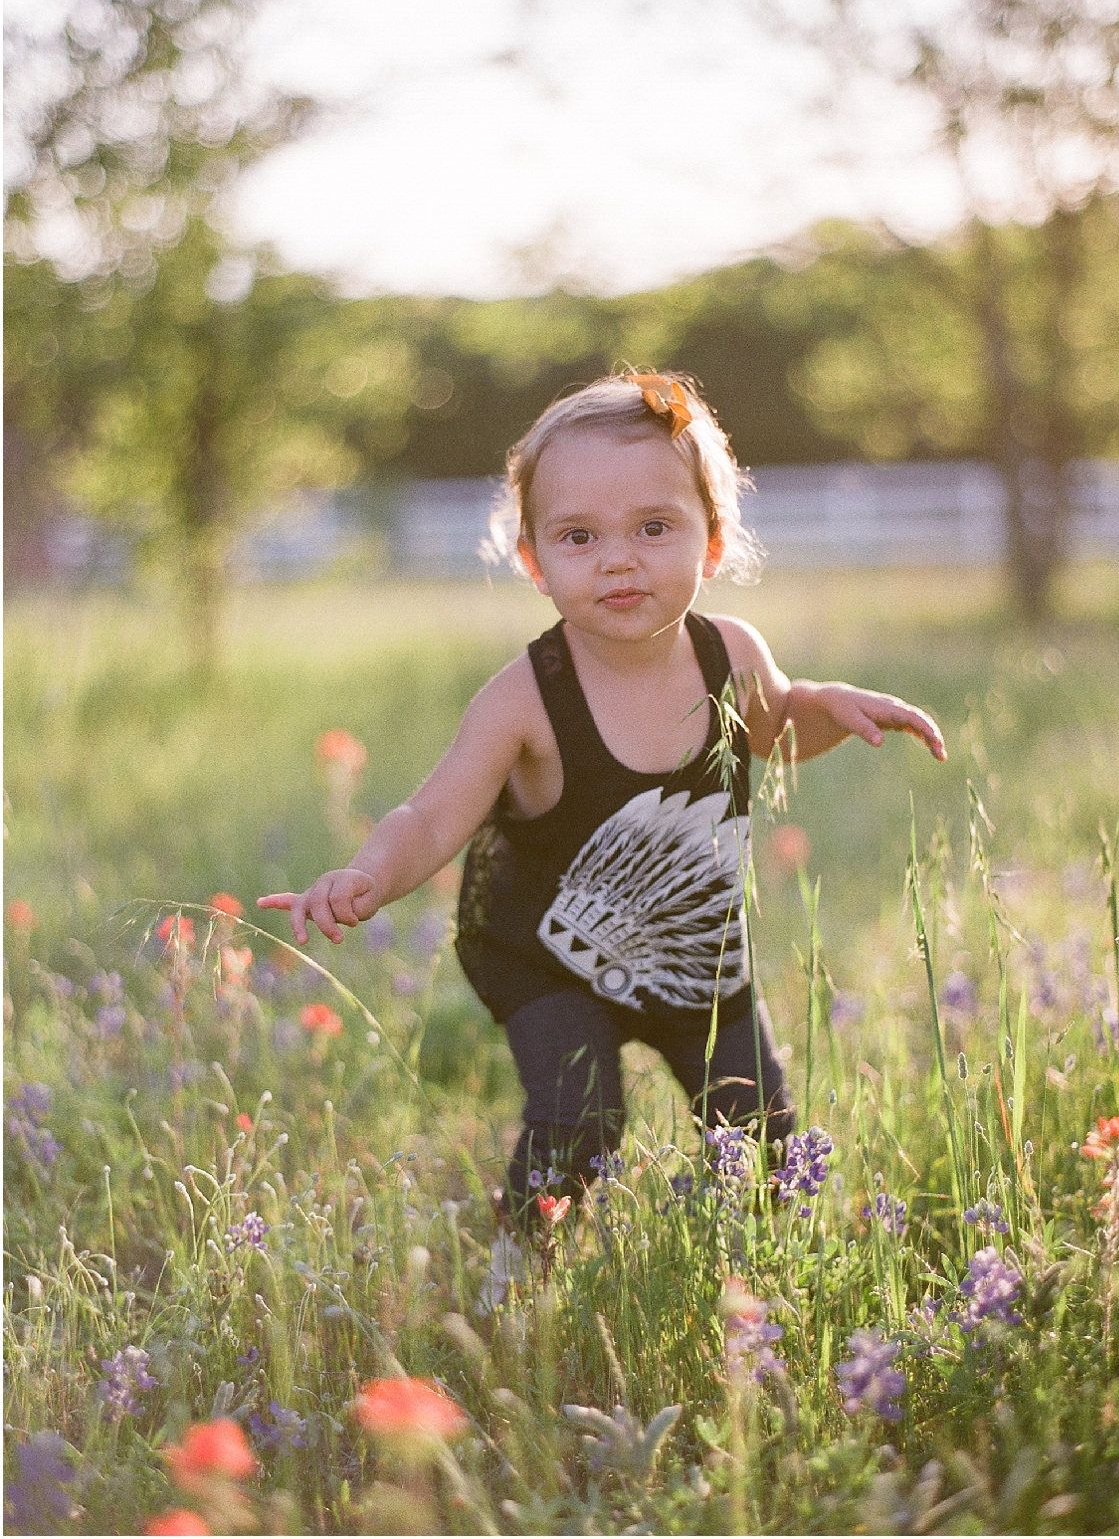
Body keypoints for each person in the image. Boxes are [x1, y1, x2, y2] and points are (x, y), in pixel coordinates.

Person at [259, 373, 946, 1220]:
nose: (619, 558)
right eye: (579, 536)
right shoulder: (523, 698)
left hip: (696, 951)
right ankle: (520, 1265)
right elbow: (431, 815)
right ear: (535, 564)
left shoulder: (730, 654)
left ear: (714, 541)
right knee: (579, 1124)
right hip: (548, 957)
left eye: (654, 527)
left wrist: (825, 706)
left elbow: (775, 727)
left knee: (760, 1128)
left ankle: (768, 1276)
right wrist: (368, 875)